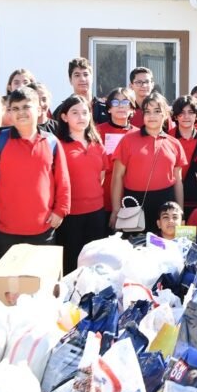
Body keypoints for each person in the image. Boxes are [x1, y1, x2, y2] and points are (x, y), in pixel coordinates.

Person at [0, 86, 71, 262]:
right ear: (9, 113)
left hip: (43, 228)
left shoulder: (51, 142)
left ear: (39, 109)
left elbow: (63, 180)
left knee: (41, 284)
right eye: (15, 108)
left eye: (26, 107)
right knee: (8, 286)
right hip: (5, 228)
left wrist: (60, 210)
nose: (21, 113)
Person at [110, 93, 188, 236]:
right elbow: (117, 177)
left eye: (157, 111)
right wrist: (115, 210)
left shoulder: (174, 143)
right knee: (134, 249)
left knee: (164, 249)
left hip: (166, 204)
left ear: (165, 114)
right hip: (134, 202)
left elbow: (178, 181)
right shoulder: (127, 141)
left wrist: (180, 211)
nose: (152, 116)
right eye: (147, 112)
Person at [55, 94, 109, 275]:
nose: (81, 117)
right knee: (72, 262)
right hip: (71, 215)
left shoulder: (97, 144)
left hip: (96, 212)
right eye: (75, 113)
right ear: (64, 117)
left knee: (94, 261)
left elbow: (101, 176)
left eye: (85, 113)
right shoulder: (58, 145)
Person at [171, 95, 197, 215]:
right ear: (175, 116)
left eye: (190, 112)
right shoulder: (167, 139)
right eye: (182, 112)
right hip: (170, 200)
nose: (186, 116)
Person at [67, 57, 108, 126]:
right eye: (77, 75)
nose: (82, 79)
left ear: (92, 78)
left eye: (85, 74)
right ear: (70, 80)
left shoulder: (105, 109)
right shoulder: (63, 110)